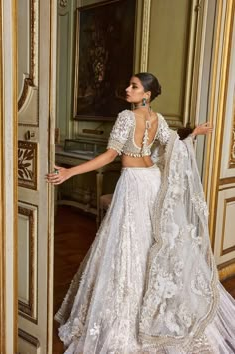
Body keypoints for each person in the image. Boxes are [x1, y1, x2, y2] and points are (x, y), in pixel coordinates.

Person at [47, 73, 235, 353]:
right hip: (152, 180)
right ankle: (151, 306)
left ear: (146, 94)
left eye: (134, 86)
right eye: (129, 85)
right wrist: (193, 134)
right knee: (150, 244)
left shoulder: (126, 116)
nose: (127, 89)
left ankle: (132, 311)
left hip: (135, 185)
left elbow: (111, 155)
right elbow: (172, 144)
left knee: (130, 246)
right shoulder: (156, 118)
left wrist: (70, 171)